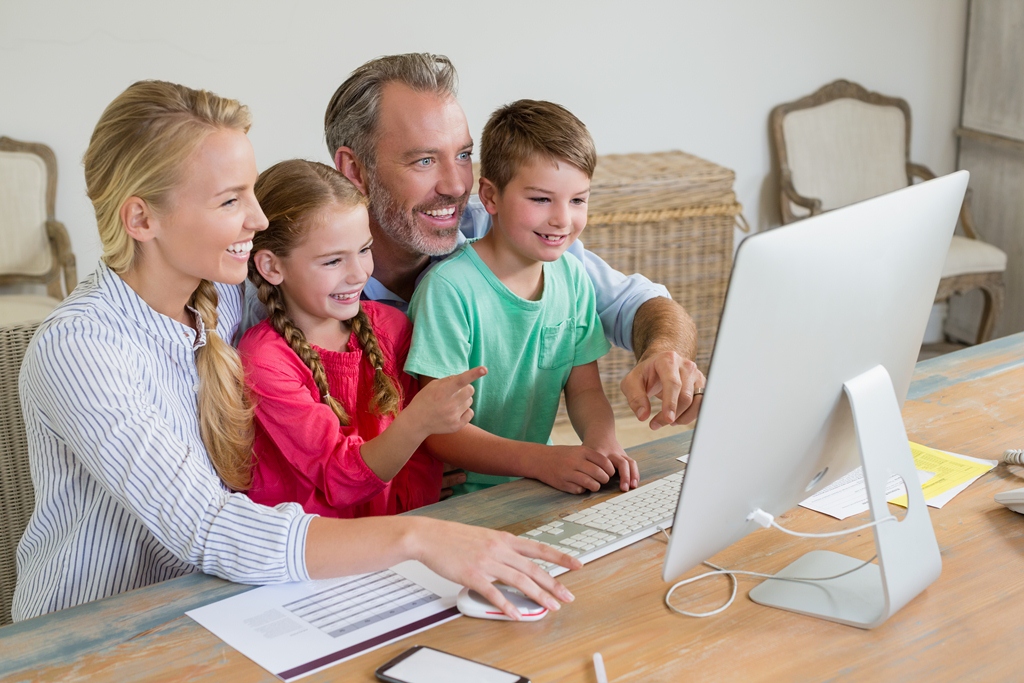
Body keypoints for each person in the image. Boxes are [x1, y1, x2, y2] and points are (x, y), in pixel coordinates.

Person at [12, 80, 577, 623]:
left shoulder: (228, 297)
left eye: (252, 193)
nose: (258, 221)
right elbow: (208, 528)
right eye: (230, 200)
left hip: (224, 606)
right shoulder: (81, 346)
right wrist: (418, 537)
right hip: (96, 631)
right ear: (141, 219)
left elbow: (332, 294)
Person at [321, 53, 706, 494]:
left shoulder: (520, 241)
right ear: (355, 171)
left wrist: (665, 355)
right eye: (424, 161)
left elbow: (641, 305)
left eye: (463, 155)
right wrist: (407, 465)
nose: (455, 185)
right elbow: (309, 458)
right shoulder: (305, 287)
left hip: (521, 491)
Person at [406, 100, 638, 496]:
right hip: (456, 501)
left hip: (538, 483)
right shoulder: (448, 290)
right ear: (491, 197)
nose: (562, 219)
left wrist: (603, 445)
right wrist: (542, 460)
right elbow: (440, 432)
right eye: (541, 199)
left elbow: (585, 391)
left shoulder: (573, 279)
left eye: (578, 200)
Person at [240, 159, 485, 516]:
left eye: (364, 250)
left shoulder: (392, 328)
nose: (358, 274)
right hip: (313, 556)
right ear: (272, 267)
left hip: (401, 539)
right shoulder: (264, 360)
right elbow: (339, 478)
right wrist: (418, 421)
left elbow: (417, 469)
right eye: (332, 261)